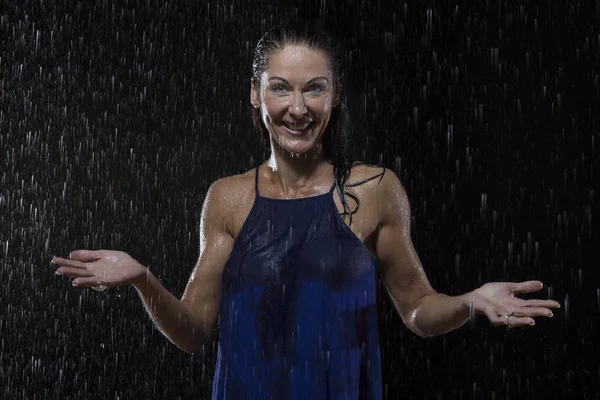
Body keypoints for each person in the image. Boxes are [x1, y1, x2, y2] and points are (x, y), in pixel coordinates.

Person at [51, 21, 561, 399]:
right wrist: (145, 280)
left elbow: (418, 311)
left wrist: (470, 301)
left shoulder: (376, 189)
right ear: (256, 95)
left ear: (335, 96)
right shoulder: (227, 198)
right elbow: (194, 332)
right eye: (281, 87)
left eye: (315, 87)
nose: (299, 108)